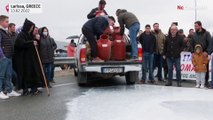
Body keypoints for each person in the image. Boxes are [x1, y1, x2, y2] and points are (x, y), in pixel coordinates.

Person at [14, 19, 42, 95]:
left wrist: (36, 40)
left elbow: (34, 45)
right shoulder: (21, 34)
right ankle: (25, 89)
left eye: (32, 27)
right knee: (25, 74)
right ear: (27, 27)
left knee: (33, 73)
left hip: (31, 58)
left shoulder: (29, 35)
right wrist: (31, 42)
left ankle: (34, 88)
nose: (31, 29)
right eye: (31, 27)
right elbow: (20, 44)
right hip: (24, 59)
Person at [0, 15, 21, 99]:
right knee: (1, 75)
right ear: (1, 22)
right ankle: (0, 91)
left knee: (8, 75)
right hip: (3, 57)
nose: (8, 23)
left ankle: (9, 91)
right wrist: (2, 56)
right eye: (6, 21)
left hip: (9, 56)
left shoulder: (5, 31)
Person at [191, 21, 212, 87]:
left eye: (196, 26)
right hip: (196, 55)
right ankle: (198, 83)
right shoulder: (194, 34)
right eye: (195, 26)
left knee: (205, 68)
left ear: (200, 26)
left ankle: (205, 82)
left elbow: (210, 43)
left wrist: (208, 52)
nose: (195, 27)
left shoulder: (207, 33)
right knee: (197, 69)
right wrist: (192, 52)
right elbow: (191, 44)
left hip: (204, 54)